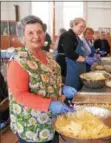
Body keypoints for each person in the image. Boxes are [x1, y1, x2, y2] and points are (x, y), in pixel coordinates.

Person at [7, 15, 77, 143]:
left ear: (44, 33)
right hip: (32, 125)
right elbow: (20, 95)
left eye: (39, 31)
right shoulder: (18, 61)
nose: (36, 36)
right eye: (30, 33)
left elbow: (48, 82)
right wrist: (49, 104)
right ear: (23, 37)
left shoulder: (48, 56)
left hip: (51, 121)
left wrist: (62, 88)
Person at [58, 18, 98, 91]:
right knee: (71, 90)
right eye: (81, 26)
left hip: (77, 67)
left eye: (83, 27)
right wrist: (85, 59)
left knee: (78, 88)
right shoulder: (67, 35)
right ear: (74, 25)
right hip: (69, 68)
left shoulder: (77, 38)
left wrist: (87, 57)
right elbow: (69, 53)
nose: (82, 29)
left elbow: (80, 52)